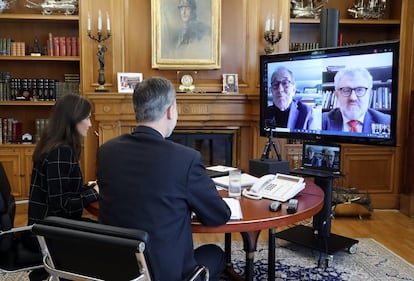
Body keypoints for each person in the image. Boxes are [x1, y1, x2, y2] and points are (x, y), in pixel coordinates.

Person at [96, 77, 231, 281]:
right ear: (170, 110)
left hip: (116, 269)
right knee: (216, 254)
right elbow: (218, 215)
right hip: (166, 275)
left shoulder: (106, 152)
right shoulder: (186, 159)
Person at [25, 94, 99, 281]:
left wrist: (89, 189)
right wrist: (94, 192)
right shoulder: (60, 152)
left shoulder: (55, 146)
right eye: (87, 117)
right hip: (51, 233)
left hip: (50, 227)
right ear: (73, 120)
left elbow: (65, 192)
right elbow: (63, 204)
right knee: (110, 239)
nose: (90, 124)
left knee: (104, 231)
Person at [322, 66, 391, 132]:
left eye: (360, 90)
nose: (353, 98)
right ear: (337, 95)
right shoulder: (321, 121)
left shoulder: (387, 122)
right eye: (346, 90)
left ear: (369, 94)